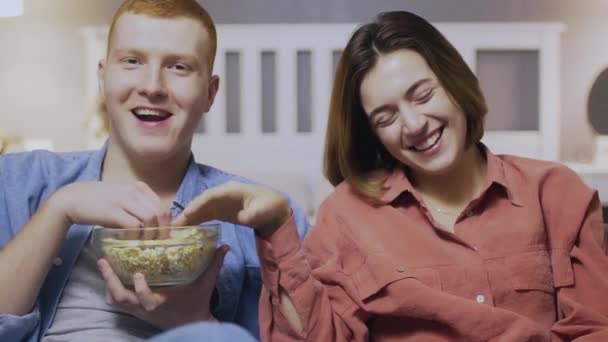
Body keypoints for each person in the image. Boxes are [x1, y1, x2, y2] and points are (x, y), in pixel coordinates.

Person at [172, 11, 608, 341]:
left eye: (423, 95)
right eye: (386, 116)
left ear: (454, 83)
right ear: (374, 135)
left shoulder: (555, 192)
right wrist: (275, 227)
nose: (414, 124)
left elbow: (595, 328)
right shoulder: (347, 215)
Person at [0, 0, 308, 341]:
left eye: (178, 67)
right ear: (103, 77)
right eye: (132, 62)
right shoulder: (18, 181)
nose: (153, 87)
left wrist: (194, 322)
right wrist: (59, 209)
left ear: (210, 93)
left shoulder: (268, 217)